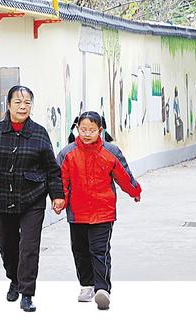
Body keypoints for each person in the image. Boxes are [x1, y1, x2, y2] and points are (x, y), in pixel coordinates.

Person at [0, 85, 65, 312]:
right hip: (3, 198)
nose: (23, 107)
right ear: (8, 105)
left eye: (27, 103)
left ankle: (27, 293)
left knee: (29, 247)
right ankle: (14, 279)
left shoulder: (39, 133)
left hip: (32, 198)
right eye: (18, 102)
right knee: (6, 244)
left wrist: (57, 195)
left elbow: (52, 169)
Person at [56, 111, 142, 310]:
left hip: (103, 211)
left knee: (99, 250)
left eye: (92, 130)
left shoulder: (110, 151)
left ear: (100, 130)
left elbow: (124, 175)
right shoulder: (67, 153)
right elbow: (61, 181)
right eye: (83, 129)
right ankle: (86, 286)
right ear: (77, 129)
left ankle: (102, 289)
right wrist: (60, 201)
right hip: (77, 213)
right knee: (80, 250)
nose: (87, 134)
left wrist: (134, 191)